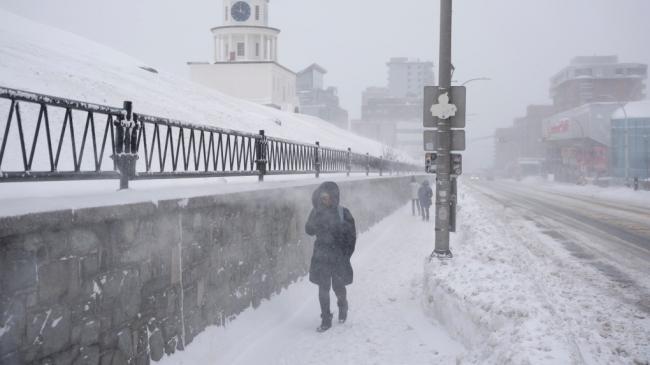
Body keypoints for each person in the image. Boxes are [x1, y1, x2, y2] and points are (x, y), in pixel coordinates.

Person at [305, 181, 357, 332]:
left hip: (338, 257)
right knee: (323, 288)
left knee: (338, 286)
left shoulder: (343, 213)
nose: (324, 200)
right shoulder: (316, 212)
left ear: (334, 197)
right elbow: (309, 230)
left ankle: (343, 305)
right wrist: (312, 224)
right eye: (322, 197)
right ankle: (326, 319)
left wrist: (346, 254)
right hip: (322, 256)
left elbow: (352, 237)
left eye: (327, 197)